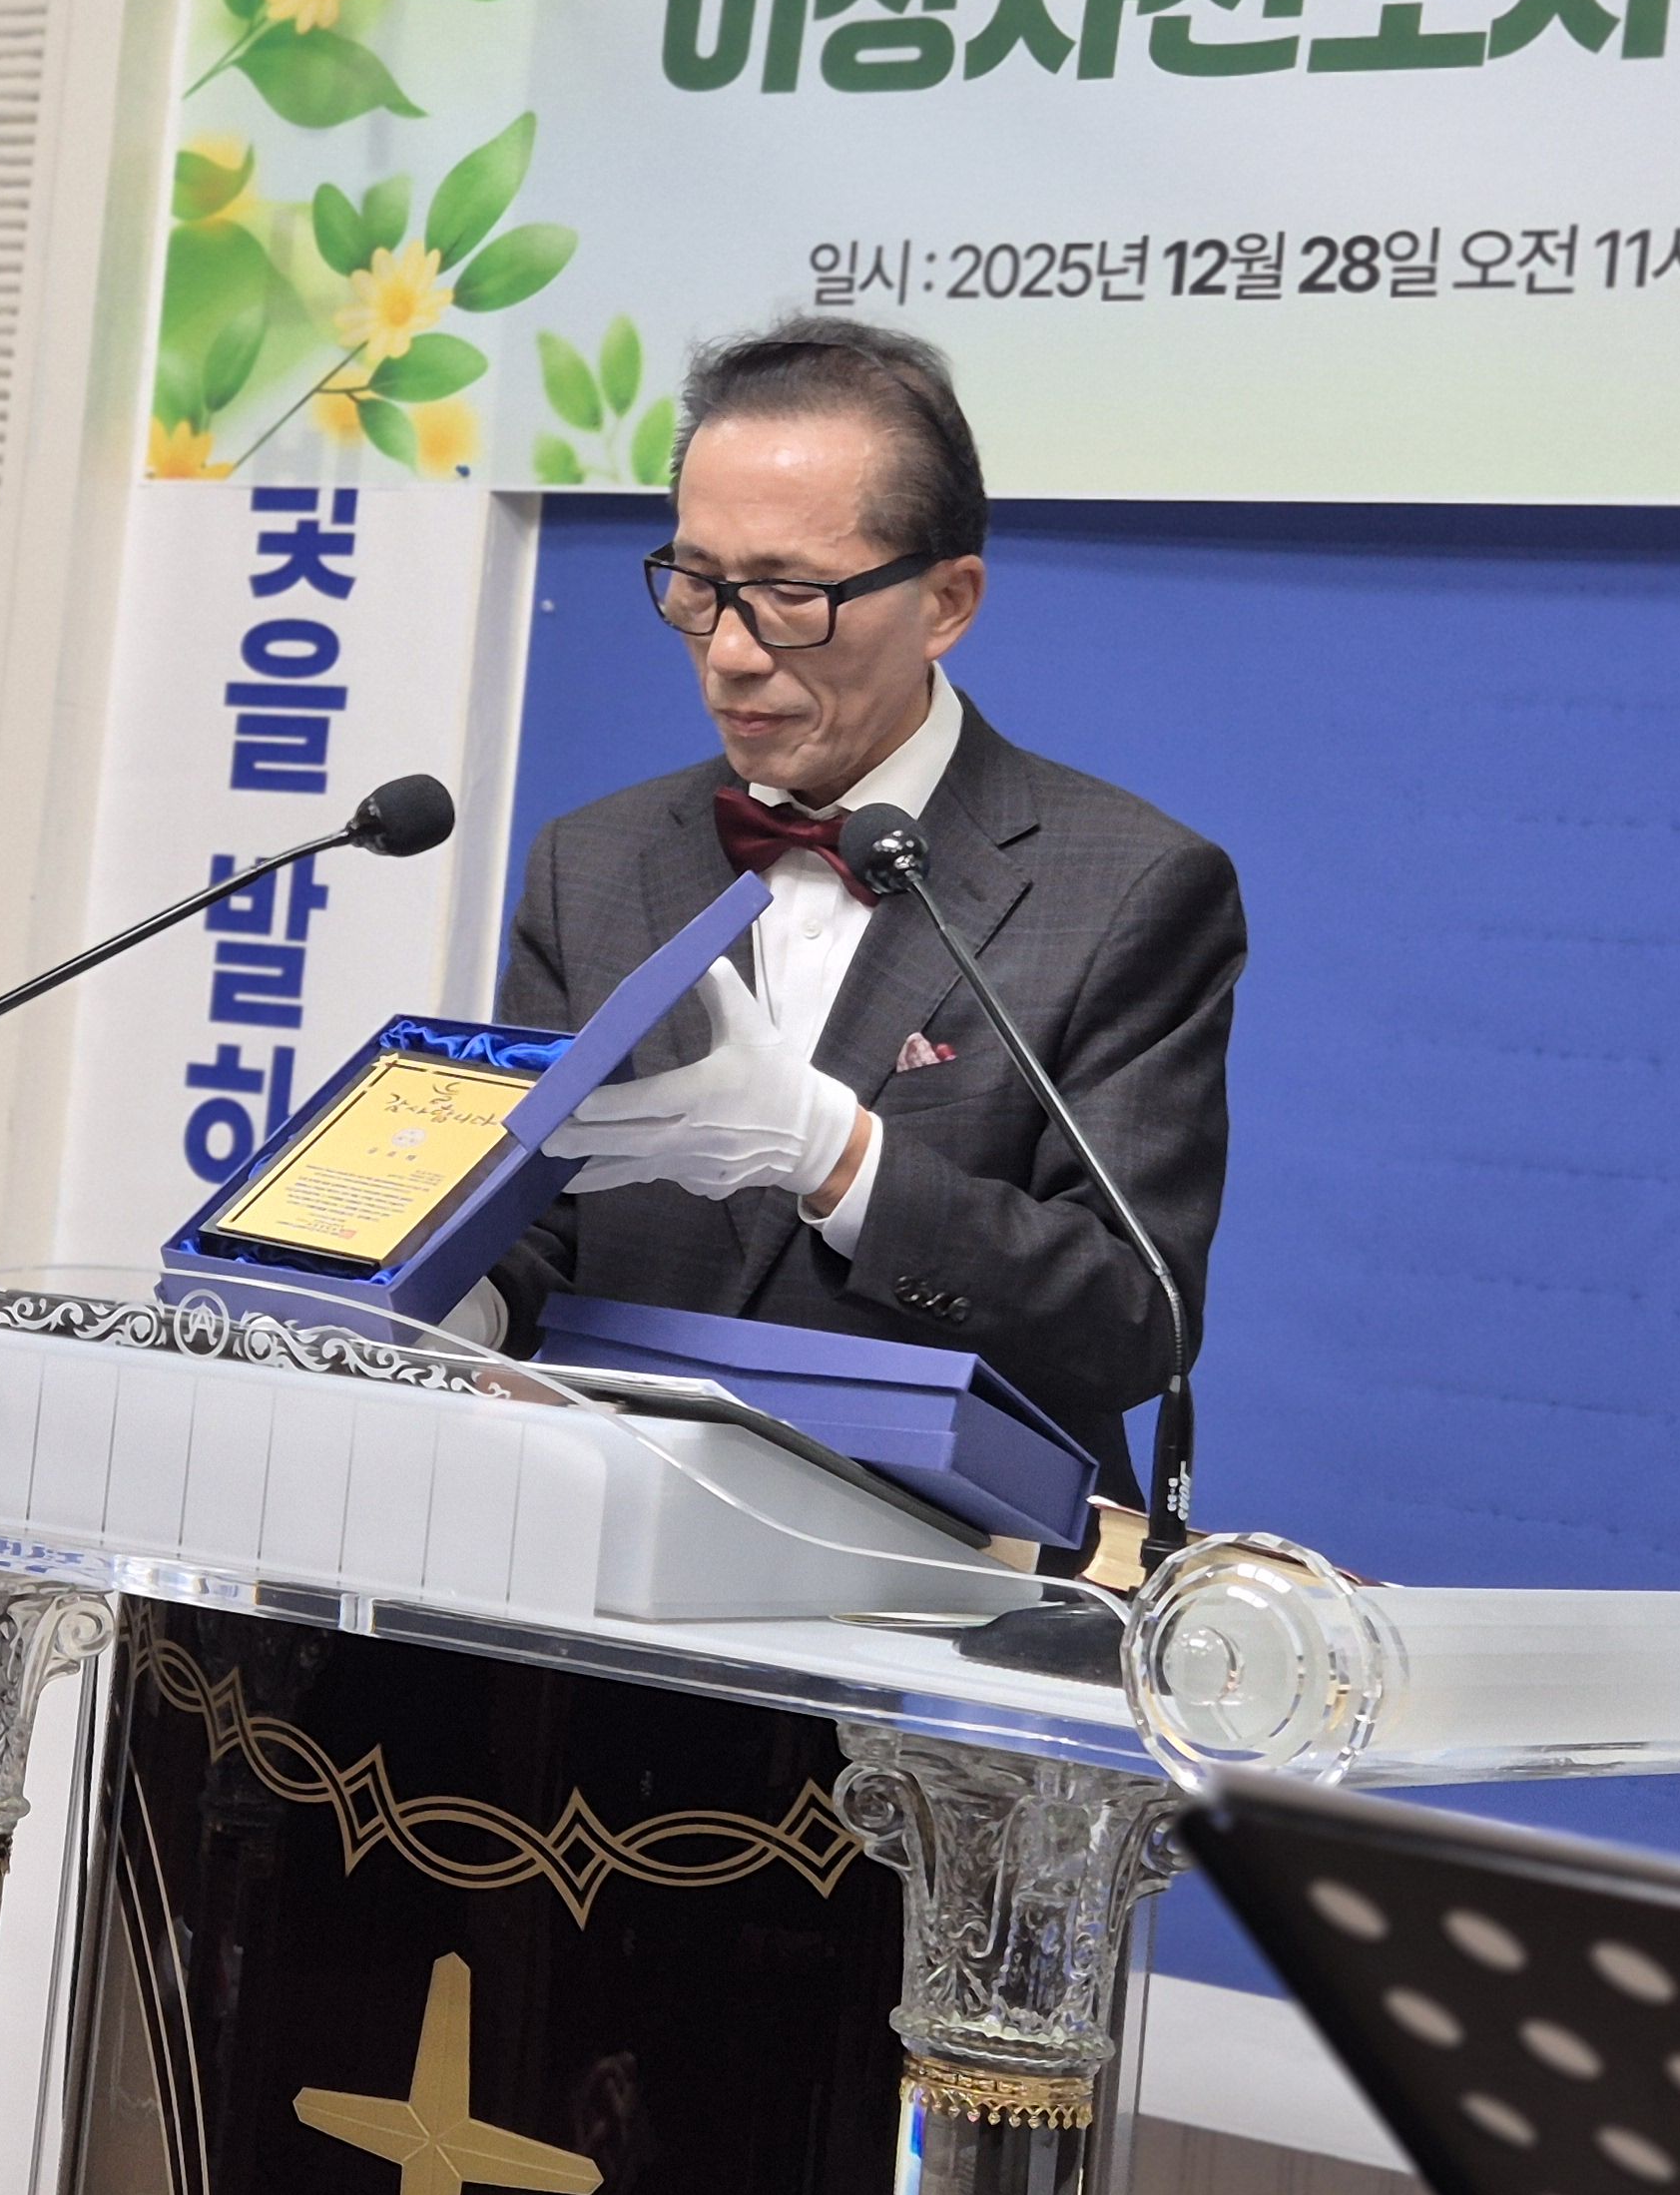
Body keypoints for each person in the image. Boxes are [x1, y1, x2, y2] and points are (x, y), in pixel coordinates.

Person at [487, 317, 1247, 1509]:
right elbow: (536, 1221)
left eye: (790, 596)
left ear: (945, 602)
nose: (730, 653)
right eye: (697, 584)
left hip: (940, 1562)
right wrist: (458, 1306)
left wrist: (838, 1158)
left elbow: (1131, 1321)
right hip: (606, 1531)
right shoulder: (589, 860)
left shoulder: (1129, 886)